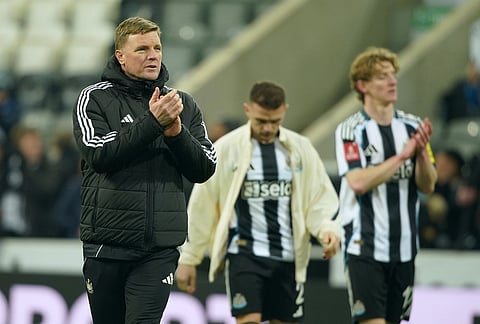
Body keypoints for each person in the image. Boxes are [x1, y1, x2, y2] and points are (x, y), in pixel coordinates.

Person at [72, 17, 217, 323]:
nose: (153, 55)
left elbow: (205, 168)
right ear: (120, 55)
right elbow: (99, 154)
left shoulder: (182, 104)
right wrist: (153, 124)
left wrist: (177, 135)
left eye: (157, 47)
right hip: (107, 246)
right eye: (142, 49)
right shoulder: (94, 98)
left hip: (158, 249)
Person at [176, 81, 341, 324]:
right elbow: (203, 204)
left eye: (274, 122)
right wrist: (189, 258)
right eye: (261, 121)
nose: (267, 128)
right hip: (245, 254)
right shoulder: (227, 149)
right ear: (248, 110)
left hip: (289, 256)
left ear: (284, 110)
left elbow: (318, 198)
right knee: (249, 320)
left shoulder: (300, 149)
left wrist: (327, 229)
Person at [334, 47, 437, 324]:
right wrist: (402, 156)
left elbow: (428, 186)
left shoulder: (413, 126)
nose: (392, 82)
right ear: (362, 85)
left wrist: (421, 156)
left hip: (404, 248)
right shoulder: (350, 130)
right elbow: (357, 182)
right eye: (382, 76)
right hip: (364, 246)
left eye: (393, 75)